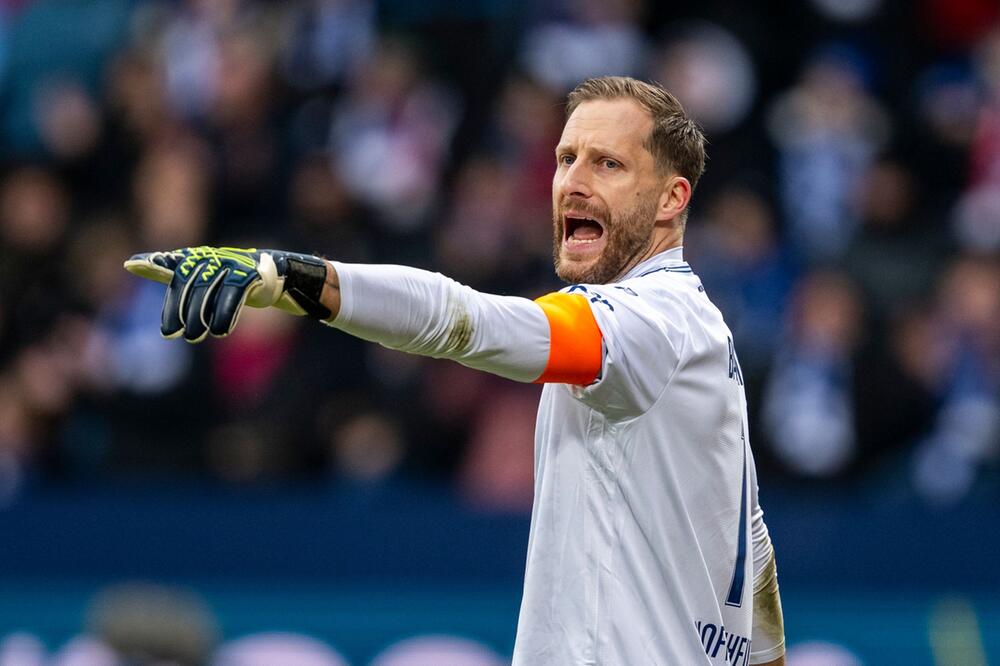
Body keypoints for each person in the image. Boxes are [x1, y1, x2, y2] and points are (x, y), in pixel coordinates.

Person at [126, 76, 785, 665]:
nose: (574, 182)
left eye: (608, 163)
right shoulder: (699, 331)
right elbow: (751, 548)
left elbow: (472, 322)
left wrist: (300, 280)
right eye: (565, 158)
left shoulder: (650, 321)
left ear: (673, 198)